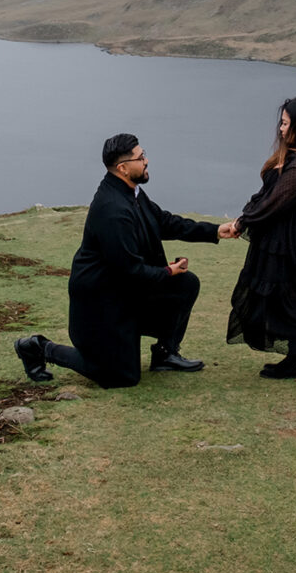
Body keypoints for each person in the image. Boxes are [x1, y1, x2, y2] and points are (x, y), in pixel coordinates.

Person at [14, 133, 238, 388]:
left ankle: (165, 354)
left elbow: (162, 221)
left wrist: (215, 231)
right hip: (102, 303)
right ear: (122, 168)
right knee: (121, 376)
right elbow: (130, 271)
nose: (146, 161)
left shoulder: (131, 192)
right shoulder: (113, 210)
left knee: (186, 284)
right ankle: (39, 348)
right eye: (140, 157)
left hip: (126, 291)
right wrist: (168, 271)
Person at [221, 96, 296, 379]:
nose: (280, 129)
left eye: (285, 123)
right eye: (281, 122)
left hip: (291, 235)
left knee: (291, 291)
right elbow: (267, 193)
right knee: (274, 291)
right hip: (276, 232)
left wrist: (244, 221)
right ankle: (293, 357)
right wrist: (247, 214)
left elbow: (277, 200)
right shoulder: (295, 153)